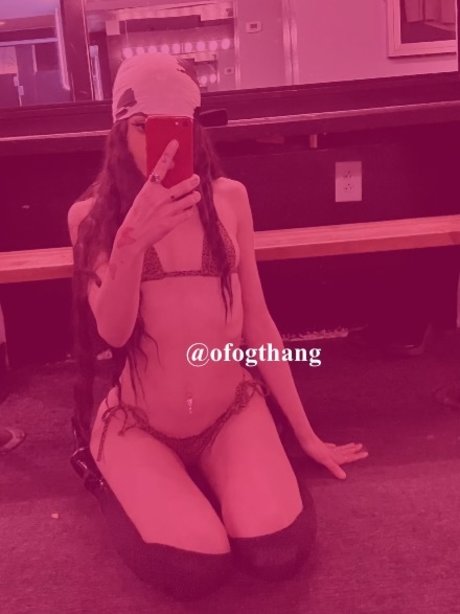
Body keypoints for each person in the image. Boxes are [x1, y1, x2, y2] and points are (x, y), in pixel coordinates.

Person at [67, 53, 368, 600]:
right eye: (144, 127)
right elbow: (113, 332)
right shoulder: (90, 218)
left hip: (229, 411)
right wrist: (132, 242)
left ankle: (222, 477)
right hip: (140, 422)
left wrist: (305, 434)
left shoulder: (230, 200)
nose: (161, 146)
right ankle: (138, 479)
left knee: (276, 553)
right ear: (119, 133)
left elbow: (258, 320)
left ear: (195, 129)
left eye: (176, 127)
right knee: (193, 568)